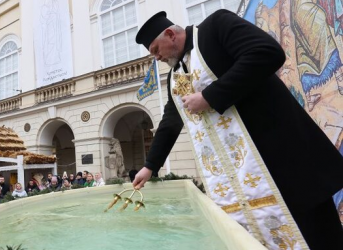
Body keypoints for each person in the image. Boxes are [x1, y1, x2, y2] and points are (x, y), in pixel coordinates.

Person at [133, 10, 343, 249]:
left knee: (319, 236)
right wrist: (150, 166)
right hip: (241, 182)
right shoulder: (175, 77)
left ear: (170, 34)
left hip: (284, 161)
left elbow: (267, 52)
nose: (156, 57)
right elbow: (170, 122)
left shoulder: (215, 27)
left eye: (155, 50)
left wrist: (210, 96)